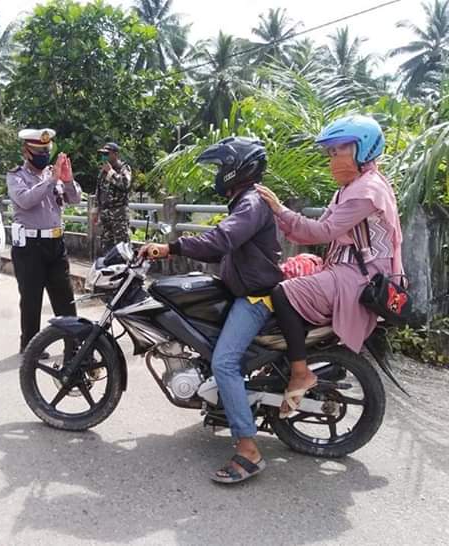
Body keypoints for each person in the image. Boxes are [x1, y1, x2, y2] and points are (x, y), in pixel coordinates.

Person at [140, 137, 283, 484]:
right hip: (242, 291)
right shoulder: (245, 201)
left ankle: (248, 451)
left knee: (224, 362)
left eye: (222, 167)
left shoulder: (250, 202)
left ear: (239, 167)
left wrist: (170, 247)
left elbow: (221, 240)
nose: (219, 174)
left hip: (255, 299)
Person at [256, 115, 403, 417]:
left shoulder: (368, 190)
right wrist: (280, 218)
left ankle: (300, 371)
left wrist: (279, 208)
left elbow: (321, 233)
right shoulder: (350, 188)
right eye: (331, 153)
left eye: (339, 151)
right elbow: (314, 229)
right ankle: (281, 361)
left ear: (362, 150)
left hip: (361, 279)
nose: (332, 160)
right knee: (288, 272)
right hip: (344, 269)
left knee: (283, 293)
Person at [6, 128, 82, 353]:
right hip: (30, 247)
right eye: (38, 151)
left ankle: (74, 347)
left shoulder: (53, 174)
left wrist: (67, 181)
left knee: (65, 300)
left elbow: (75, 199)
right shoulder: (16, 176)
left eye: (46, 151)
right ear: (26, 151)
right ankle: (30, 347)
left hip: (56, 245)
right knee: (31, 300)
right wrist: (51, 180)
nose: (43, 155)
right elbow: (25, 200)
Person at [95, 142, 132, 253]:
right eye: (103, 154)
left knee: (122, 246)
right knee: (106, 246)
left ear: (115, 154)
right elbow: (99, 191)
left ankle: (125, 268)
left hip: (119, 215)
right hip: (105, 215)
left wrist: (111, 172)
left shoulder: (123, 168)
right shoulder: (103, 171)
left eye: (107, 154)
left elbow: (125, 184)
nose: (104, 156)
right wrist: (96, 210)